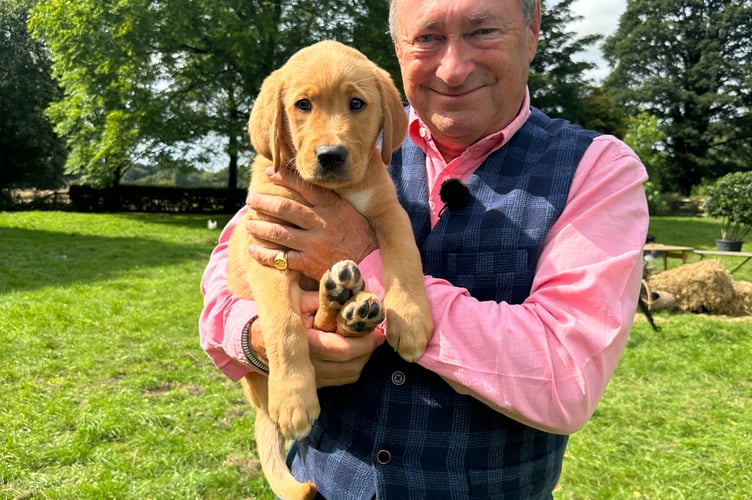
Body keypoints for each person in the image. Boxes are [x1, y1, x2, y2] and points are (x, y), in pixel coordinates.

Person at [199, 0, 649, 497]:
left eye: (482, 31)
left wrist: (365, 262)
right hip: (324, 480)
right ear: (397, 49)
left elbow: (566, 380)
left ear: (532, 29)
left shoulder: (598, 170)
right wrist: (255, 339)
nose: (453, 69)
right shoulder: (355, 140)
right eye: (427, 38)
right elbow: (235, 265)